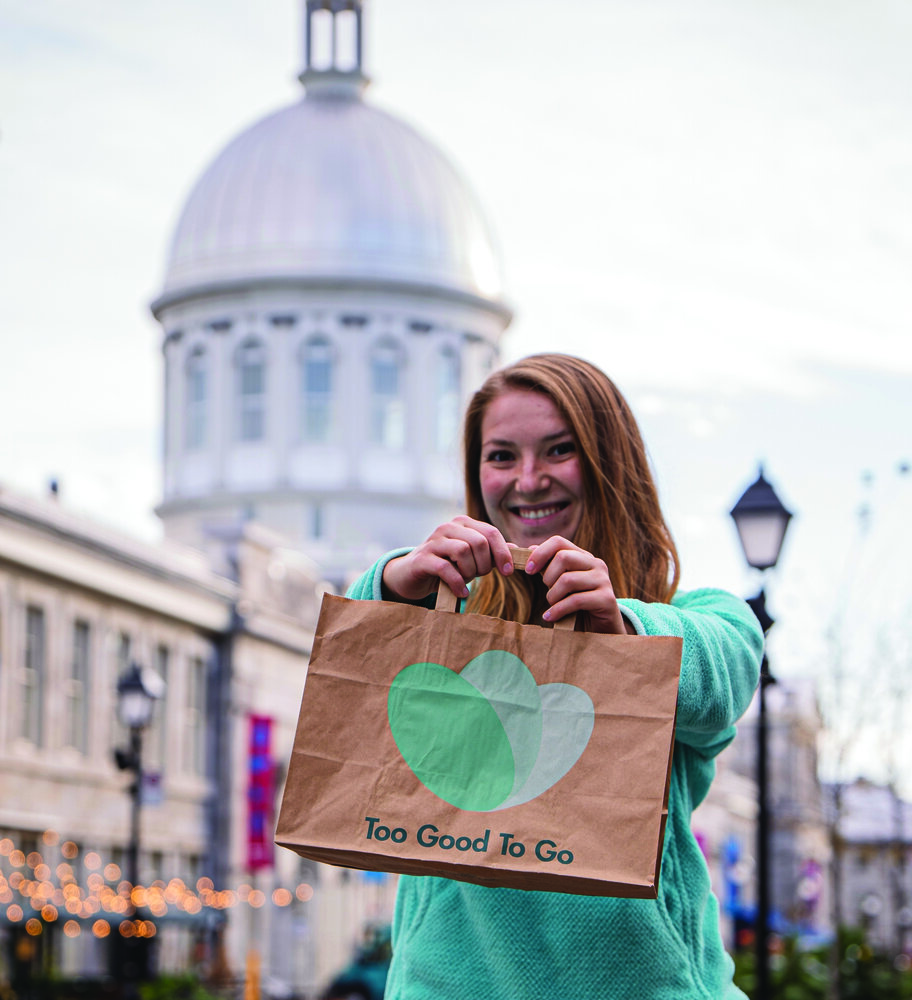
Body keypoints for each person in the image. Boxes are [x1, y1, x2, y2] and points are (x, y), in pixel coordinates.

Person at [346, 353, 763, 999]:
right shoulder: (441, 627)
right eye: (501, 456)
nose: (529, 480)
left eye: (559, 450)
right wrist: (395, 583)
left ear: (607, 464)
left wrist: (620, 632)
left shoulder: (688, 619)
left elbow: (727, 670)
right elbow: (347, 677)